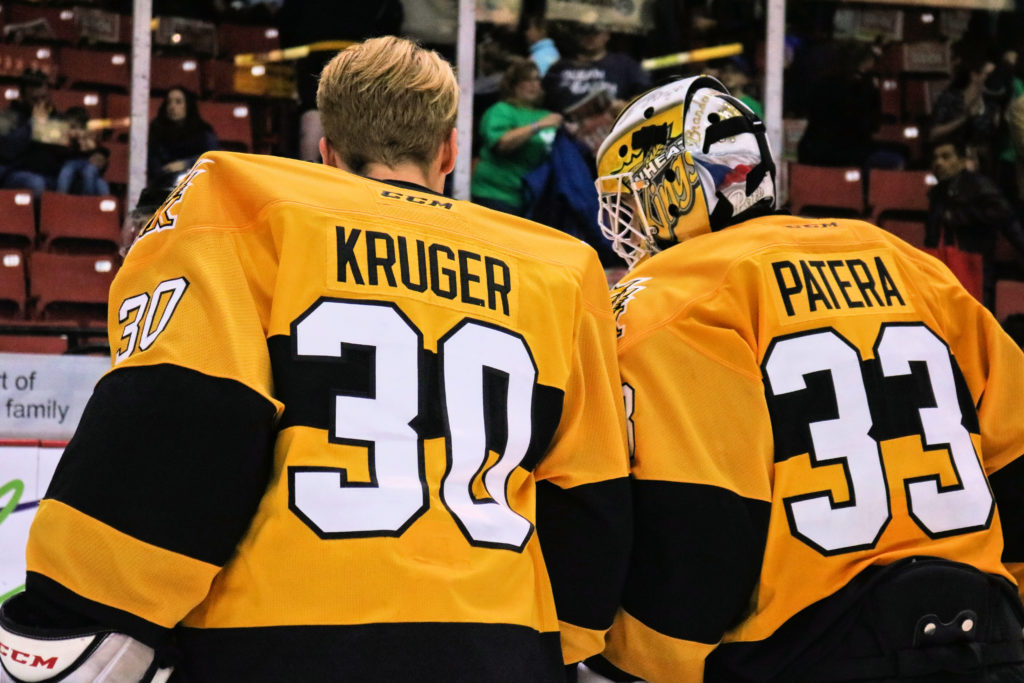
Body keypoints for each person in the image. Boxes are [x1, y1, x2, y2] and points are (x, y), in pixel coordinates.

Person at [0, 36, 631, 682]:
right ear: (449, 151)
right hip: (499, 652)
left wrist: (72, 609)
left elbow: (189, 423)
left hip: (281, 647)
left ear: (326, 153)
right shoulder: (559, 270)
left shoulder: (249, 211)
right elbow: (590, 498)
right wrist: (566, 642)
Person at [591, 74, 1024, 682]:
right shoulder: (907, 261)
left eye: (632, 197)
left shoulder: (672, 297)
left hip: (808, 649)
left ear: (677, 186)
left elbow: (702, 519)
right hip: (984, 636)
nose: (628, 220)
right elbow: (1018, 453)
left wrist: (637, 660)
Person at [926, 136, 1024, 310]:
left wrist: (960, 216)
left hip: (976, 267)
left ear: (963, 160)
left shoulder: (979, 185)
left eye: (946, 157)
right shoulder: (937, 192)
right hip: (944, 268)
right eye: (935, 158)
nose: (939, 162)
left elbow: (1006, 217)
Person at [471, 58, 563, 216]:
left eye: (537, 80)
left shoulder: (546, 115)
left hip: (533, 197)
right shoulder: (501, 111)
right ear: (513, 85)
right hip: (494, 194)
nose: (534, 85)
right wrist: (538, 126)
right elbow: (502, 143)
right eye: (527, 80)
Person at [542, 23, 650, 155]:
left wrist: (626, 107)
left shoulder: (624, 64)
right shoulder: (560, 67)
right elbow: (542, 103)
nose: (589, 37)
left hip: (611, 138)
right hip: (568, 143)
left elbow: (645, 97)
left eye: (595, 33)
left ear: (607, 34)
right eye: (584, 32)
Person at [0, 69, 65, 200]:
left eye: (44, 97)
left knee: (96, 183)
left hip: (53, 174)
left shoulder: (57, 118)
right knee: (36, 183)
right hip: (18, 173)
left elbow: (69, 148)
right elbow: (7, 150)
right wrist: (33, 125)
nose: (41, 103)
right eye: (35, 99)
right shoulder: (8, 117)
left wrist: (99, 153)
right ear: (23, 98)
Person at [147, 86, 219, 187]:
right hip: (165, 186)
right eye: (169, 102)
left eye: (178, 102)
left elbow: (213, 158)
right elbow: (154, 166)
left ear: (188, 105)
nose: (172, 107)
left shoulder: (203, 131)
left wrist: (185, 164)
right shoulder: (155, 130)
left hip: (197, 183)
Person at [56, 106, 111, 196]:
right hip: (71, 164)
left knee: (98, 181)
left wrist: (91, 147)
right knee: (66, 171)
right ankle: (60, 198)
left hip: (88, 165)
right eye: (71, 127)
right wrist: (72, 144)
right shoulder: (65, 139)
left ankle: (88, 201)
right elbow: (61, 157)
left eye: (77, 127)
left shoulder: (90, 136)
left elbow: (102, 153)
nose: (75, 131)